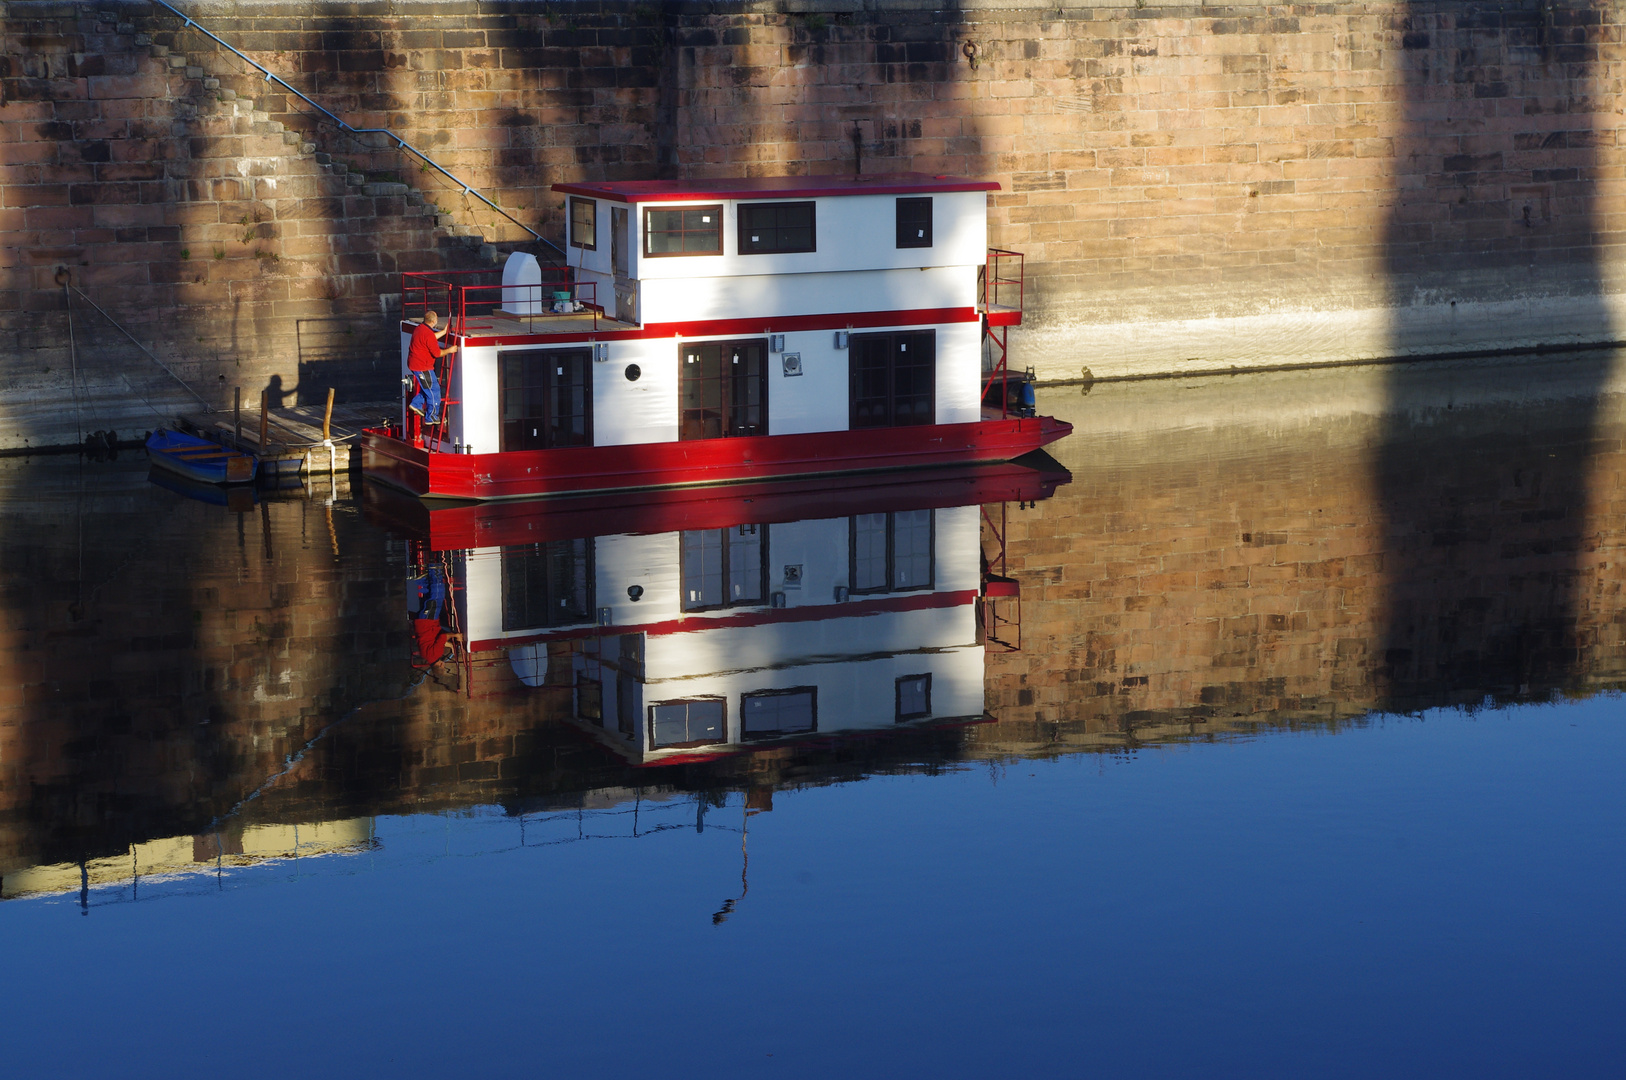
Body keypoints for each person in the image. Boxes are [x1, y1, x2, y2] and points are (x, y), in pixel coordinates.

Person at [407, 309, 456, 424]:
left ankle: (416, 404)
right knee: (434, 390)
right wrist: (450, 350)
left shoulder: (420, 329)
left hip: (415, 364)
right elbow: (437, 353)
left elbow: (430, 338)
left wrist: (444, 332)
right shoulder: (428, 334)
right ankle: (431, 417)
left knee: (427, 388)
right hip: (423, 366)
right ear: (434, 321)